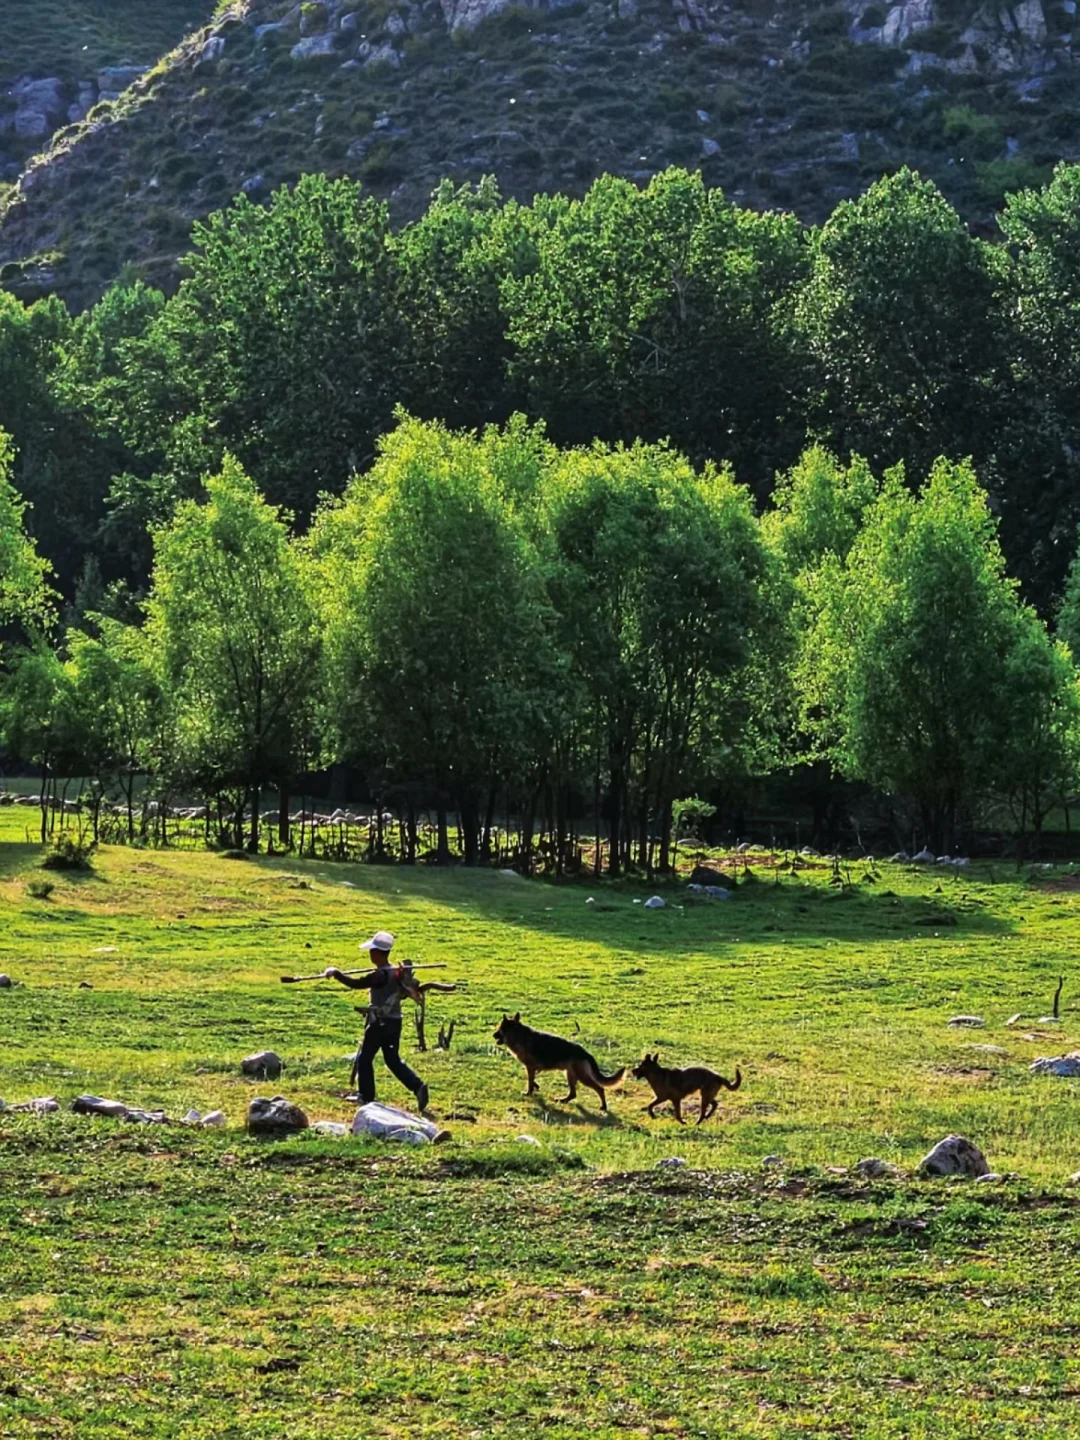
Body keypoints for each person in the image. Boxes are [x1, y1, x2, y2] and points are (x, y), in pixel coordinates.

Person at [323, 930, 430, 1112]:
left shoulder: (379, 975)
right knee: (392, 1059)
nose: (370, 954)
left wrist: (336, 973)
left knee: (364, 1059)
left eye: (372, 951)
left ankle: (366, 1096)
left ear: (377, 953)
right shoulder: (395, 973)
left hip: (379, 1023)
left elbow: (355, 984)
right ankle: (418, 1086)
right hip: (394, 1022)